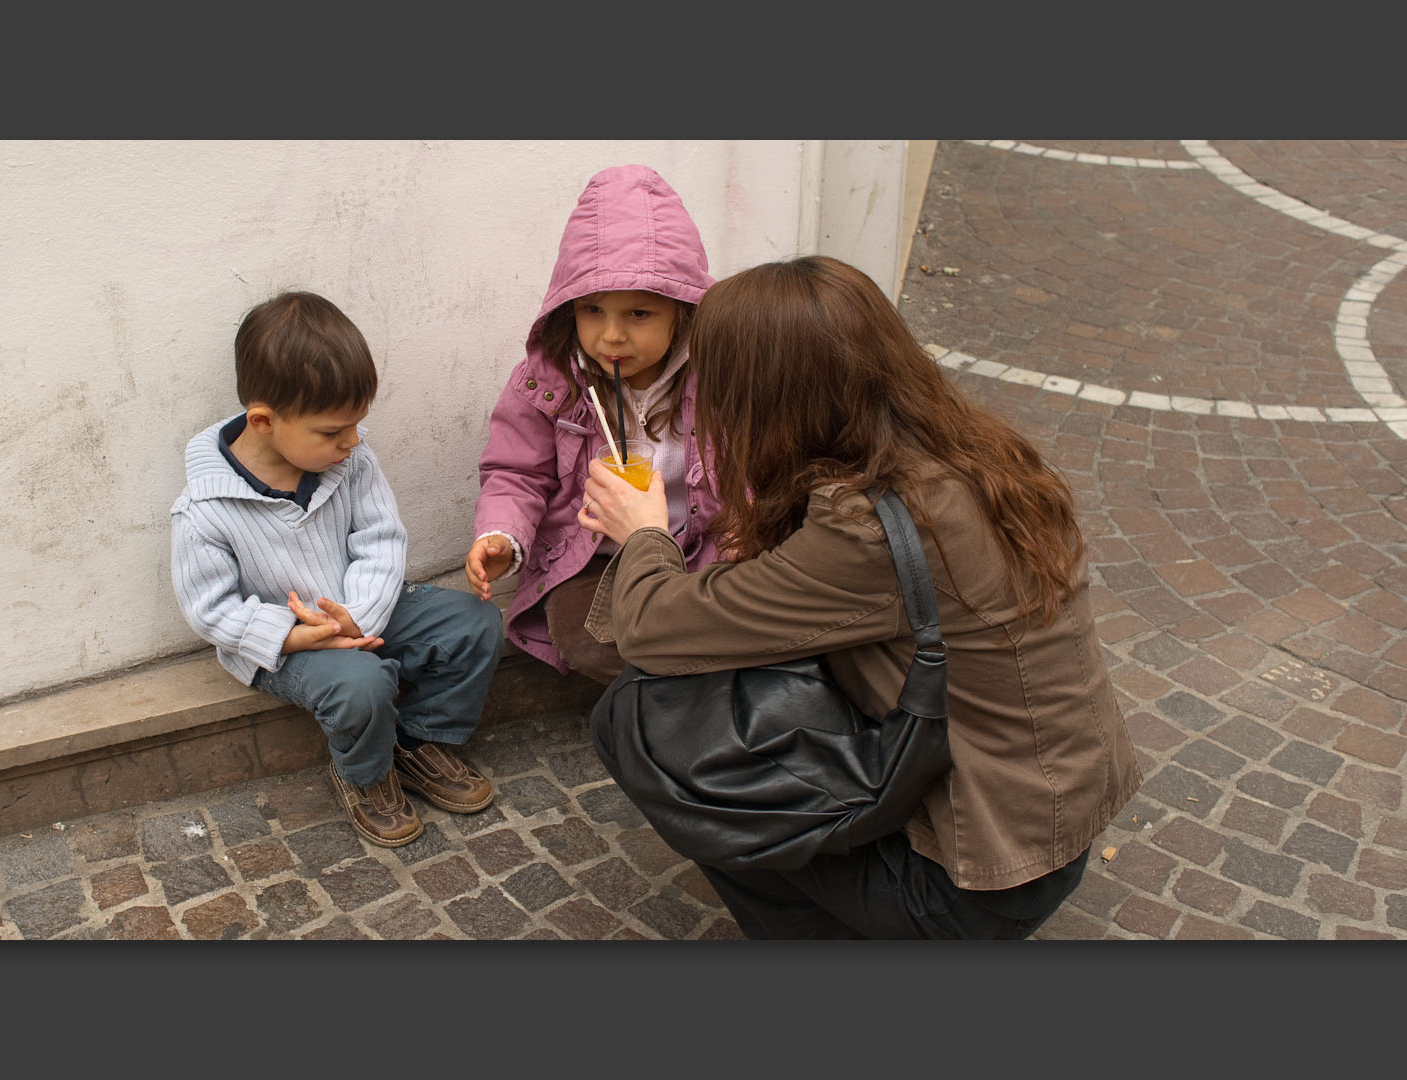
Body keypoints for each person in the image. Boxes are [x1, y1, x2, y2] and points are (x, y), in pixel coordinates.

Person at [576, 255, 1144, 939]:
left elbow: (649, 628)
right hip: (1052, 827)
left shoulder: (868, 525)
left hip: (965, 888)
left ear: (767, 398)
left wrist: (643, 532)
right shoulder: (967, 452)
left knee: (634, 716)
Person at [171, 290, 505, 848]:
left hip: (366, 608)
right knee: (360, 684)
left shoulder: (350, 461)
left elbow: (381, 539)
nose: (352, 442)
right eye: (332, 432)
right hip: (288, 643)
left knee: (475, 622)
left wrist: (357, 616)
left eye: (356, 424)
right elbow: (211, 611)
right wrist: (294, 636)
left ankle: (420, 740)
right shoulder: (205, 510)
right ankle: (366, 776)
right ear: (264, 421)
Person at [467, 164, 722, 684]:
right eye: (593, 310)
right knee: (589, 640)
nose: (610, 336)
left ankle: (694, 692)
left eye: (638, 314)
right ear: (568, 309)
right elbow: (517, 472)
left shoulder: (719, 375)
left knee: (724, 622)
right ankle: (673, 695)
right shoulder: (550, 383)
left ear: (681, 308)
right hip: (598, 560)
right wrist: (501, 535)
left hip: (699, 551)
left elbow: (755, 469)